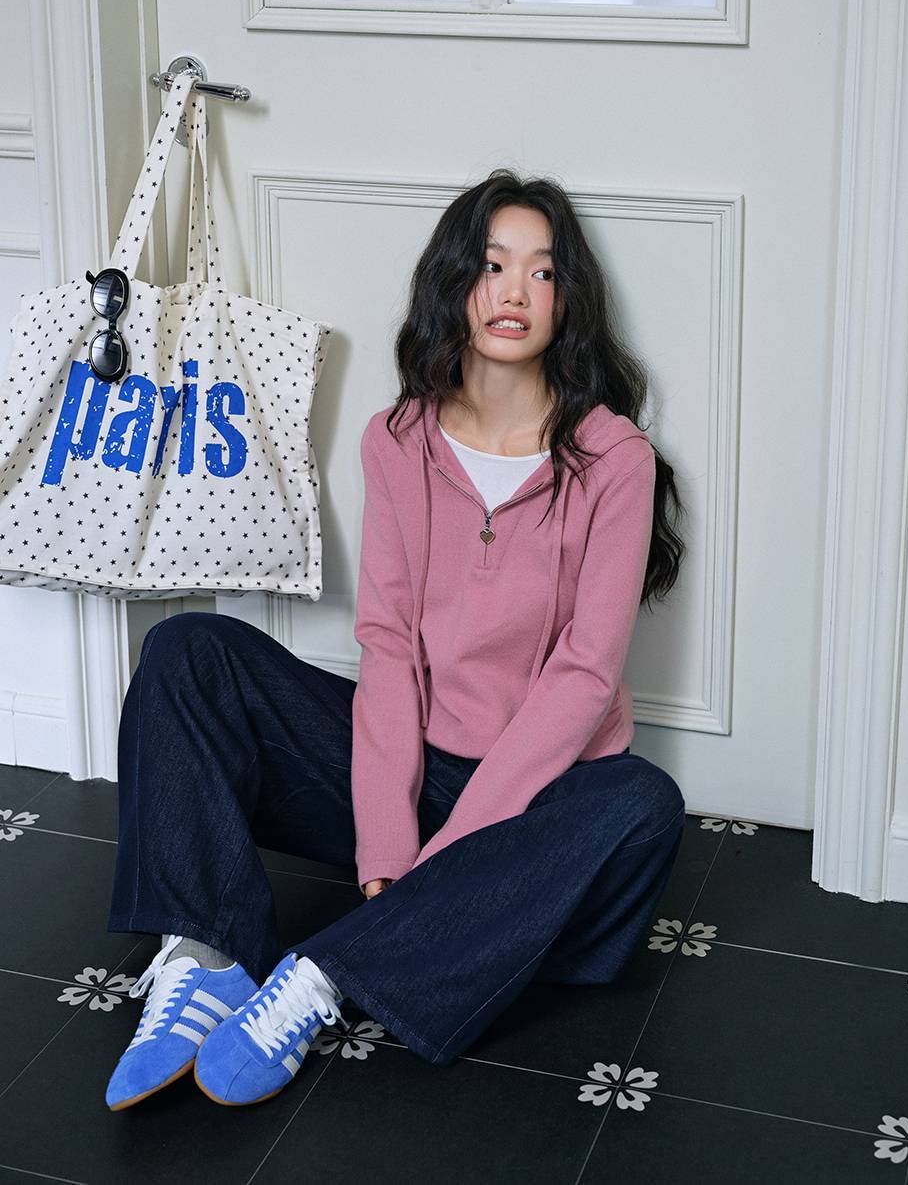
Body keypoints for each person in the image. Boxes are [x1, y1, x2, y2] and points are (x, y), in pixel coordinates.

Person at [104, 167, 688, 1111]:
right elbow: (386, 647)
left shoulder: (614, 458)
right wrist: (386, 846)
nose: (514, 290)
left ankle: (321, 976)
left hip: (538, 800)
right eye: (492, 265)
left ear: (567, 299)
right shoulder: (400, 438)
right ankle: (202, 960)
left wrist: (451, 851)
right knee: (190, 653)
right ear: (454, 282)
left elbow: (585, 678)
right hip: (410, 772)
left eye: (542, 272)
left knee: (643, 804)